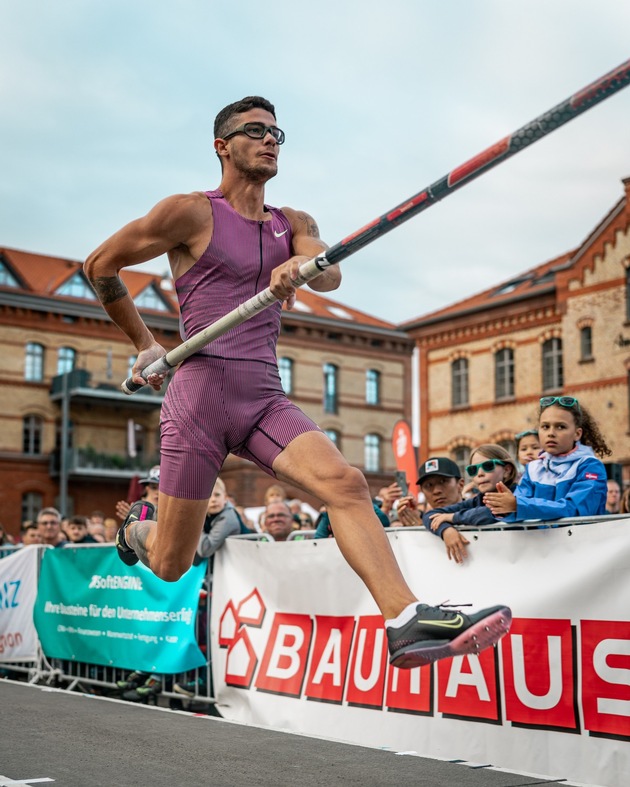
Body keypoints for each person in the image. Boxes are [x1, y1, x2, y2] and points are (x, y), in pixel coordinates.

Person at [85, 95, 510, 668]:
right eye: (254, 131)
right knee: (171, 562)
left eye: (276, 133)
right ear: (222, 146)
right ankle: (140, 529)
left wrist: (303, 268)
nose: (268, 140)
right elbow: (100, 265)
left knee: (348, 484)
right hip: (199, 396)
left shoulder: (294, 224)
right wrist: (144, 345)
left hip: (262, 394)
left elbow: (330, 272)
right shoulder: (190, 212)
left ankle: (406, 620)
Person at [484, 396, 611, 522]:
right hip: (539, 542)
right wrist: (504, 510)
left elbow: (575, 509)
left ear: (577, 434)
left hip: (581, 542)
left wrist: (517, 505)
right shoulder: (533, 468)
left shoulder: (590, 466)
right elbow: (518, 513)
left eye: (560, 427)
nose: (551, 433)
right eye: (545, 427)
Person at [423, 446, 518, 564]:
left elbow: (492, 512)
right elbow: (430, 515)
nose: (479, 474)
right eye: (473, 470)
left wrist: (452, 517)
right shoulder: (478, 500)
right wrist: (445, 530)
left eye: (488, 466)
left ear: (507, 470)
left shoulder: (518, 494)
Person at [397, 458, 465, 529]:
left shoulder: (475, 515)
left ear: (460, 484)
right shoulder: (420, 520)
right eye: (428, 485)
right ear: (422, 491)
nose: (436, 491)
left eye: (443, 481)